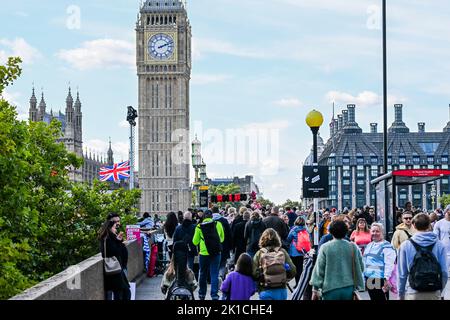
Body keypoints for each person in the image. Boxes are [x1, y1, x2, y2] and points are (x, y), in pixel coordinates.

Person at [398, 213, 448, 300]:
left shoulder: (405, 245)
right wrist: (441, 291)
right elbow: (444, 272)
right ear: (429, 225)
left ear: (414, 225)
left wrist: (401, 294)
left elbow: (402, 274)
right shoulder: (440, 245)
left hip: (413, 291)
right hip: (433, 291)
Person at [310, 220, 364, 300]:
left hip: (329, 289)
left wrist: (315, 289)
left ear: (330, 232)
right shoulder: (353, 247)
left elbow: (319, 270)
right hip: (348, 288)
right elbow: (361, 267)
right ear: (345, 231)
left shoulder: (325, 247)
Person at [253, 228, 296, 300]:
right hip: (281, 290)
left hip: (265, 290)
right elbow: (293, 271)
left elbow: (254, 273)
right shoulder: (282, 252)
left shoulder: (260, 253)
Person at [192, 210, 225, 300]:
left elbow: (194, 242)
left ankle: (202, 294)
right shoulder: (218, 224)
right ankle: (214, 295)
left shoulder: (199, 226)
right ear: (212, 217)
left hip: (203, 253)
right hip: (216, 252)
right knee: (214, 274)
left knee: (203, 273)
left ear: (203, 217)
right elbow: (222, 239)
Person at [98, 219, 131, 300]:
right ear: (109, 228)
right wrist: (119, 242)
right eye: (114, 227)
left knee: (123, 292)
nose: (116, 229)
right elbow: (113, 251)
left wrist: (118, 240)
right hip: (113, 269)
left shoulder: (111, 237)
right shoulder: (107, 238)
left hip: (117, 268)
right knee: (121, 293)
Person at [363, 223, 396, 300]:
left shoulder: (387, 246)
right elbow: (364, 262)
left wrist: (386, 279)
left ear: (382, 233)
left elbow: (389, 264)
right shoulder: (369, 245)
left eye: (377, 231)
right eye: (373, 231)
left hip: (380, 279)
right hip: (369, 278)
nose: (374, 233)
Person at [286, 216, 311, 288]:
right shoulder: (306, 230)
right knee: (300, 268)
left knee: (294, 268)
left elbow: (288, 239)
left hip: (294, 252)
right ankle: (300, 283)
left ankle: (297, 283)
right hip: (302, 251)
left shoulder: (293, 229)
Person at [433, 205, 450, 299]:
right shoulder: (439, 224)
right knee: (444, 276)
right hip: (445, 254)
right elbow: (436, 239)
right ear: (447, 211)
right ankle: (442, 295)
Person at [212, 206, 233, 281]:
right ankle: (220, 276)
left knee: (214, 264)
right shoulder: (224, 221)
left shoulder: (209, 221)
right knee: (222, 263)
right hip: (224, 245)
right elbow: (229, 234)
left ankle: (215, 278)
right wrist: (231, 246)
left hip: (211, 246)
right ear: (218, 211)